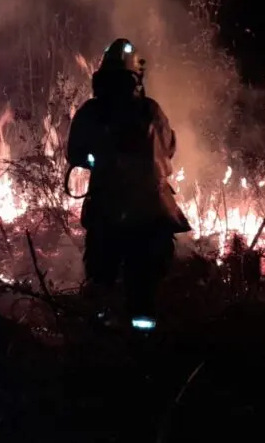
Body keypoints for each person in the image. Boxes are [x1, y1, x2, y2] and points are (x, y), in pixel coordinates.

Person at [65, 38, 191, 331]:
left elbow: (75, 153)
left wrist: (99, 161)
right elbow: (169, 148)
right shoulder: (150, 110)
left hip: (107, 210)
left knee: (102, 283)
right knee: (144, 289)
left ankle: (100, 344)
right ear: (136, 76)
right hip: (150, 213)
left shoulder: (92, 112)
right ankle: (143, 351)